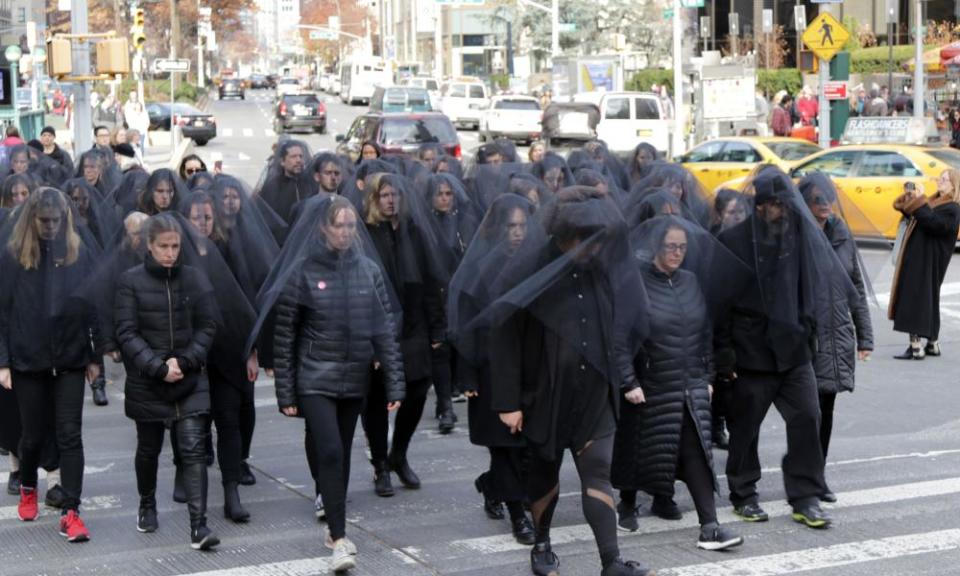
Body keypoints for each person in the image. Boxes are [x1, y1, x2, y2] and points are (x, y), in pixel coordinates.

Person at [486, 186, 654, 576]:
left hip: (595, 389)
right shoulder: (527, 267)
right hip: (543, 393)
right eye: (585, 240)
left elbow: (625, 317)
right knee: (545, 472)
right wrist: (508, 402)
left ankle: (611, 561)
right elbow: (504, 337)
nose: (594, 248)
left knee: (597, 470)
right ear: (562, 236)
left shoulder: (602, 266)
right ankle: (542, 545)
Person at [267, 196, 405, 572]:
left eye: (350, 226)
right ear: (323, 228)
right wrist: (286, 392)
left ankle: (333, 526)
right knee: (329, 449)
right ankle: (340, 536)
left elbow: (384, 331)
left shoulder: (368, 271)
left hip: (355, 377)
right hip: (315, 375)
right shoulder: (303, 271)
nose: (344, 232)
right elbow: (285, 335)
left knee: (341, 453)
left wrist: (394, 384)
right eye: (337, 225)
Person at [715, 168, 840, 529]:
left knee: (807, 418)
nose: (782, 212)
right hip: (750, 354)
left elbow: (809, 289)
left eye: (785, 205)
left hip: (794, 351)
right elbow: (719, 304)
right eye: (774, 205)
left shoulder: (799, 239)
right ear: (759, 206)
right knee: (745, 429)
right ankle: (743, 493)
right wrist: (725, 356)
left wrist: (809, 332)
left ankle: (805, 496)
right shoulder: (734, 241)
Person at [612, 216, 744, 551]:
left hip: (690, 385)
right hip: (649, 385)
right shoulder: (636, 283)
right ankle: (627, 503)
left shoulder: (690, 281)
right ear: (657, 246)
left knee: (697, 452)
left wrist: (708, 376)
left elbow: (704, 334)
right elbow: (619, 339)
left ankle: (710, 527)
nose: (677, 253)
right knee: (640, 450)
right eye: (671, 246)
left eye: (682, 247)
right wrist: (629, 382)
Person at [0, 188, 104, 542]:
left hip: (70, 358)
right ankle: (28, 484)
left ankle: (71, 511)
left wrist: (95, 356)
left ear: (65, 221)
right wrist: (3, 362)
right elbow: (1, 311)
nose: (49, 227)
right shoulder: (13, 256)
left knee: (70, 434)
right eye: (43, 221)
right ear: (32, 220)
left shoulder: (78, 253)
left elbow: (93, 307)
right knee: (31, 436)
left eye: (55, 221)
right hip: (28, 358)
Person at [113, 213, 220, 550]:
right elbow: (126, 332)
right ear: (149, 245)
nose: (171, 253)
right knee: (148, 449)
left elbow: (208, 325)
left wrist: (186, 361)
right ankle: (147, 503)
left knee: (192, 448)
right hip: (149, 379)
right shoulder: (131, 281)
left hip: (189, 377)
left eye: (175, 246)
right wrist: (158, 367)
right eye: (164, 246)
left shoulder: (194, 278)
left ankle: (198, 525)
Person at [448, 194, 537, 543]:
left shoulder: (536, 262)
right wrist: (467, 374)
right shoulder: (482, 267)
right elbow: (465, 324)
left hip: (530, 370)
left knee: (528, 445)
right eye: (510, 226)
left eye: (522, 226)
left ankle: (491, 486)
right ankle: (518, 514)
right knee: (505, 445)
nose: (517, 233)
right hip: (490, 370)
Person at [361, 173, 443, 498]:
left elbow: (432, 278)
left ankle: (399, 453)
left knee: (418, 390)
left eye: (395, 193)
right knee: (378, 399)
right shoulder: (366, 233)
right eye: (384, 195)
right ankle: (381, 464)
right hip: (379, 325)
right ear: (374, 199)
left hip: (414, 321)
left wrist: (438, 327)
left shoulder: (414, 230)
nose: (391, 200)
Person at [798, 172, 873, 502]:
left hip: (837, 333)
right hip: (805, 337)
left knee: (825, 409)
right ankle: (801, 478)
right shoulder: (797, 233)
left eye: (828, 197)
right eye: (816, 198)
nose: (824, 204)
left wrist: (865, 336)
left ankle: (817, 478)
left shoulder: (842, 232)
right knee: (806, 412)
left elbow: (855, 285)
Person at [889, 169, 960, 359]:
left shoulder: (953, 207)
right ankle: (932, 344)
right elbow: (915, 213)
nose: (939, 182)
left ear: (954, 185)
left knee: (915, 298)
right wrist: (911, 197)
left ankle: (915, 347)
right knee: (929, 299)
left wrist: (920, 200)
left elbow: (932, 222)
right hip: (921, 258)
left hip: (928, 260)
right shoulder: (935, 201)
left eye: (944, 180)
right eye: (939, 178)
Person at [257, 140, 316, 225]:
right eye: (293, 157)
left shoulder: (310, 183)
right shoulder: (272, 187)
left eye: (300, 156)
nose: (298, 160)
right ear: (282, 161)